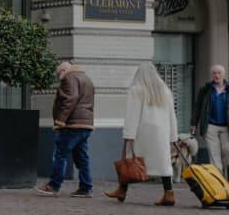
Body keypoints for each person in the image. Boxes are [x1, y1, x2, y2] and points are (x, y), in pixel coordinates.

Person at [107, 63, 179, 206]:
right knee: (164, 163)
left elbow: (132, 114)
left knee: (130, 159)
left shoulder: (136, 90)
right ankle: (169, 193)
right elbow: (172, 115)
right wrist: (173, 135)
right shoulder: (165, 91)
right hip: (161, 132)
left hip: (142, 131)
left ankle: (122, 190)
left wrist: (129, 134)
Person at [37, 60, 95, 197]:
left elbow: (71, 98)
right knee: (82, 158)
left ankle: (53, 185)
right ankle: (86, 188)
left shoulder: (69, 77)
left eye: (59, 74)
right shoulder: (86, 78)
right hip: (85, 125)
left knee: (60, 155)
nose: (59, 77)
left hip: (72, 125)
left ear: (63, 71)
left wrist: (60, 121)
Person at [193, 65, 229, 176]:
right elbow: (198, 107)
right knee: (213, 153)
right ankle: (218, 175)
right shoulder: (205, 89)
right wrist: (194, 123)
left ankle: (222, 167)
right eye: (214, 73)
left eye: (219, 73)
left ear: (224, 75)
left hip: (228, 126)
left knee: (228, 149)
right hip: (210, 125)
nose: (216, 75)